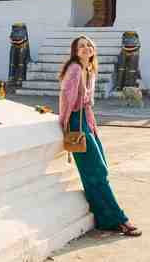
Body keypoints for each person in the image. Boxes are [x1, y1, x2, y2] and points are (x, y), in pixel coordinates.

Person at [58, 35, 141, 237]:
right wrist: (66, 126)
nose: (86, 48)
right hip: (76, 123)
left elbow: (87, 104)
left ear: (93, 50)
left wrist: (92, 126)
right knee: (96, 172)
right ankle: (120, 220)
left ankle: (105, 220)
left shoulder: (89, 70)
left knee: (95, 171)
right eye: (81, 46)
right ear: (75, 52)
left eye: (89, 45)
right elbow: (65, 99)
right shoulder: (76, 69)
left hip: (87, 121)